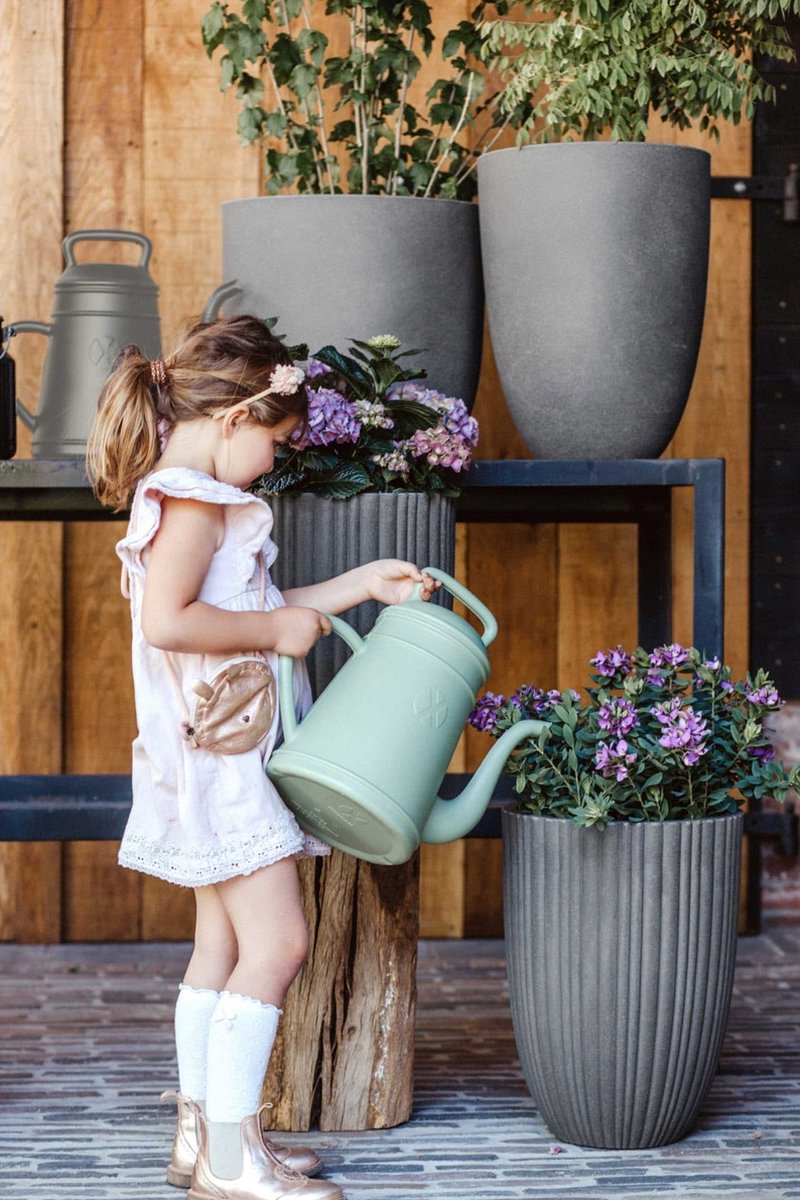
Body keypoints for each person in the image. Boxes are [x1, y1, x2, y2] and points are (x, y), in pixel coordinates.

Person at [86, 314, 439, 1200]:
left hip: (205, 748)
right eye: (277, 444)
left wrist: (359, 587)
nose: (277, 463)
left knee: (222, 943)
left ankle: (200, 1139)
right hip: (223, 755)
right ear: (239, 416)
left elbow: (255, 604)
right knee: (280, 943)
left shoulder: (194, 497)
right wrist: (274, 629)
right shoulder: (199, 500)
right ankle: (234, 1159)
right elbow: (170, 622)